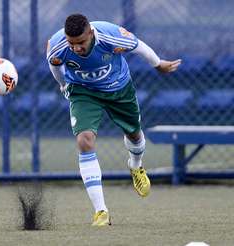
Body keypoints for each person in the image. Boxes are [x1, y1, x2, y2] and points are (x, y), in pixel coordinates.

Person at [46, 13, 181, 226]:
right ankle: (101, 212)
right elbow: (55, 66)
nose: (76, 48)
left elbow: (139, 46)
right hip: (83, 92)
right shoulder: (57, 45)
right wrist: (64, 85)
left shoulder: (111, 35)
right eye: (72, 43)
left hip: (119, 89)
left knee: (135, 135)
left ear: (90, 32)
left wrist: (158, 64)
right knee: (84, 141)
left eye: (81, 42)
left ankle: (135, 166)